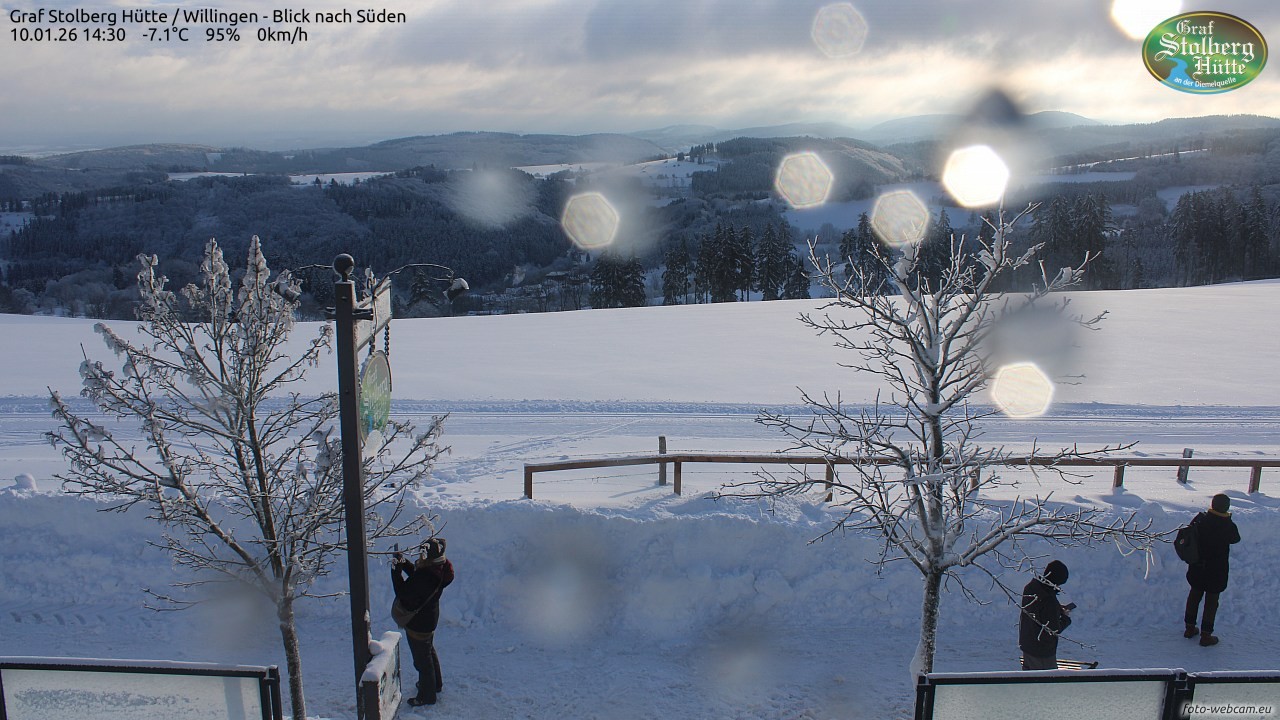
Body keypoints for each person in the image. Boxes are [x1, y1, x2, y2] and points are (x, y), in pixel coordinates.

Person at [392, 537, 455, 706]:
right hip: (429, 619)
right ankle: (435, 685)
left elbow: (403, 592)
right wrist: (403, 563)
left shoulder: (426, 576)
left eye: (422, 553)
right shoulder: (439, 568)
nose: (420, 556)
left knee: (421, 660)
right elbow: (417, 576)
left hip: (419, 624)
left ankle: (426, 696)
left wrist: (395, 572)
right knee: (428, 651)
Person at [1184, 494, 1241, 647]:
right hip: (1216, 570)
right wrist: (1227, 519)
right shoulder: (1227, 525)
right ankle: (1206, 635)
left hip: (1197, 566)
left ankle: (1189, 628)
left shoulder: (1201, 519)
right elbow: (1235, 539)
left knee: (1194, 595)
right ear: (1226, 508)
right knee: (1211, 602)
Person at [1019, 560, 1072, 670]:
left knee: (1029, 679)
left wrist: (1056, 609)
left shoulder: (1031, 587)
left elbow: (1037, 610)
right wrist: (1066, 618)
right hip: (1042, 651)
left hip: (1028, 643)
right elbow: (1054, 629)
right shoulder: (1049, 599)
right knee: (1047, 682)